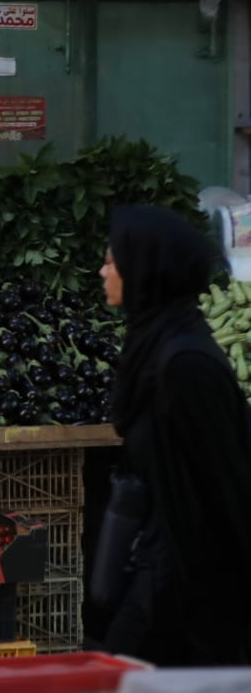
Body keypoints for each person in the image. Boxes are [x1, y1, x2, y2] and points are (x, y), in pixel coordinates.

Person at [99, 205, 251, 665]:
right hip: (163, 567)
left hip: (190, 588)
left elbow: (228, 488)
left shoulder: (186, 366)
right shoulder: (156, 346)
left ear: (146, 271)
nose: (103, 271)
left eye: (113, 261)